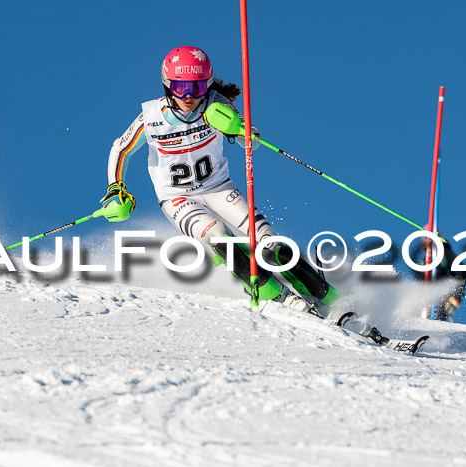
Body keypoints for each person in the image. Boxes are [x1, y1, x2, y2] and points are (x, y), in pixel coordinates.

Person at [99, 45, 341, 316]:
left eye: (197, 87)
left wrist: (240, 129)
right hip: (177, 197)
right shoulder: (152, 117)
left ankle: (329, 298)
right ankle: (278, 297)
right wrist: (115, 187)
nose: (189, 96)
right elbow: (120, 148)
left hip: (219, 188)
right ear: (168, 86)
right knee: (218, 235)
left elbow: (251, 139)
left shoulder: (217, 105)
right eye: (180, 88)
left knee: (269, 243)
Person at [416, 238, 466, 320]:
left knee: (437, 316)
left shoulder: (445, 254)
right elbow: (418, 283)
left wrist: (455, 298)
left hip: (444, 296)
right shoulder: (423, 263)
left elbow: (462, 274)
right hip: (426, 299)